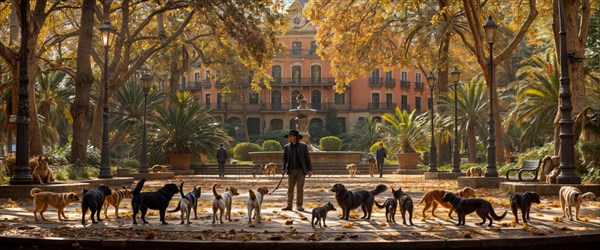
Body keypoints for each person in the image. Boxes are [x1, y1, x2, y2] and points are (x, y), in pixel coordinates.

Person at [281, 129, 313, 211]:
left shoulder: (303, 146)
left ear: (295, 137)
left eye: (291, 136)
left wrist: (310, 169)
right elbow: (284, 159)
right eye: (288, 137)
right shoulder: (287, 147)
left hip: (301, 171)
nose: (289, 138)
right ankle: (289, 205)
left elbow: (307, 158)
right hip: (291, 170)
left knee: (299, 188)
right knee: (290, 189)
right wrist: (283, 168)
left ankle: (299, 205)